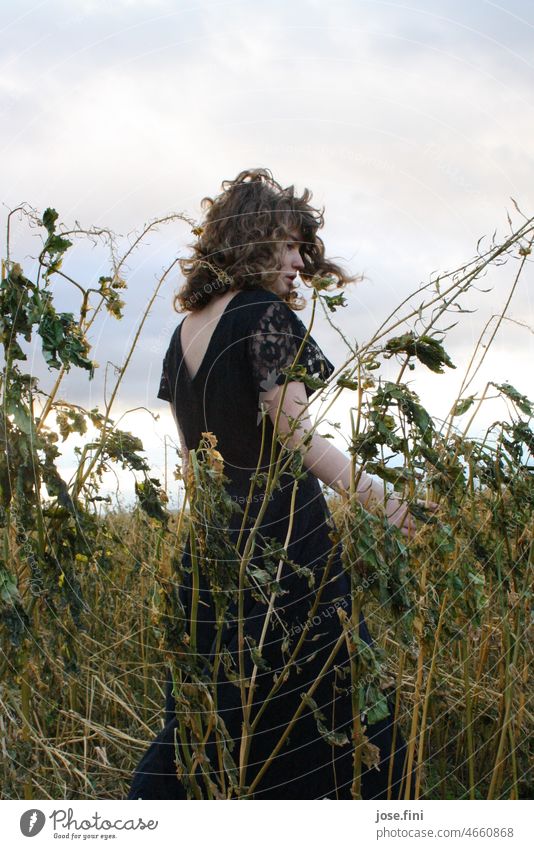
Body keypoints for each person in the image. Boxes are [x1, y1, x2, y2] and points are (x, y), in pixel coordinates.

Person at [128, 169, 418, 801]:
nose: (297, 263)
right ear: (252, 239)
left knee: (216, 720)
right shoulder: (264, 316)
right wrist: (386, 501)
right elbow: (298, 441)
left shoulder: (184, 334)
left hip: (211, 556)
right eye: (285, 245)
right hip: (289, 550)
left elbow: (195, 464)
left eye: (299, 248)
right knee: (336, 709)